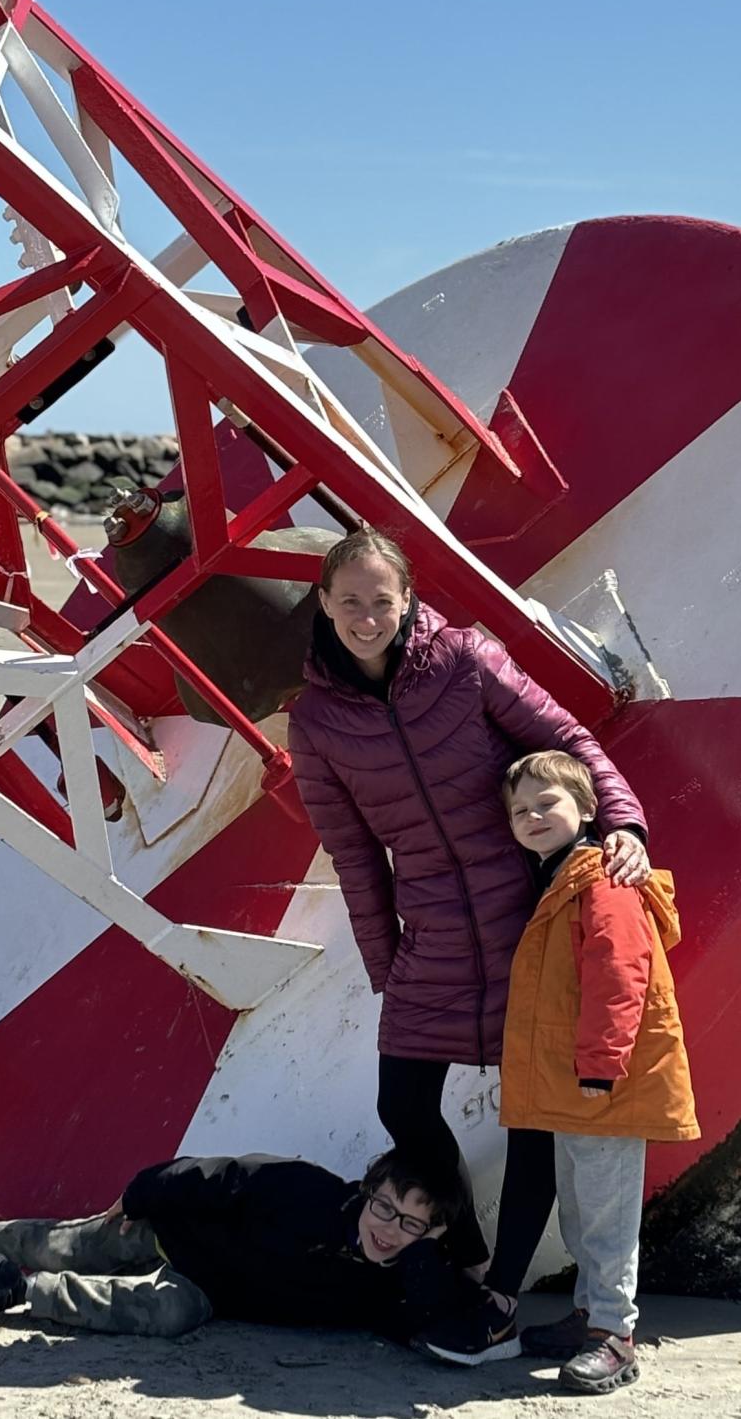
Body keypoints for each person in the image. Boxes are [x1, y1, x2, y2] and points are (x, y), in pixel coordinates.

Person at [288, 529, 650, 1363]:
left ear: (408, 598)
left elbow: (569, 743)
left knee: (531, 1121)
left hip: (531, 932)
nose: (368, 617)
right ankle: (464, 1252)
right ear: (324, 604)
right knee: (404, 1106)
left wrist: (623, 820)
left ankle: (498, 1294)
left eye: (383, 600)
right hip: (432, 941)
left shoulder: (466, 661)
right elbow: (353, 854)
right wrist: (386, 967)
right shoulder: (315, 722)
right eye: (350, 602)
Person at [491, 751, 699, 1394]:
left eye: (546, 803)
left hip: (604, 1084)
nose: (532, 817)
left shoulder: (603, 881)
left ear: (588, 810)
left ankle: (614, 1335)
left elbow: (620, 975)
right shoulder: (564, 880)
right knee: (582, 1209)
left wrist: (602, 1068)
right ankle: (590, 1314)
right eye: (520, 810)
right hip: (576, 1087)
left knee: (605, 1214)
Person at [0, 1149, 475, 1343]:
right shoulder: (311, 1192)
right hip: (180, 1233)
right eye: (384, 1207)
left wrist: (428, 1279)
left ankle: (20, 1286)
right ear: (368, 1192)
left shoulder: (401, 1284)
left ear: (435, 1234)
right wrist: (145, 1193)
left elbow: (435, 1325)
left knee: (166, 1316)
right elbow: (225, 1175)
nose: (388, 1228)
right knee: (72, 1243)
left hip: (210, 1290)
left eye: (411, 1225)